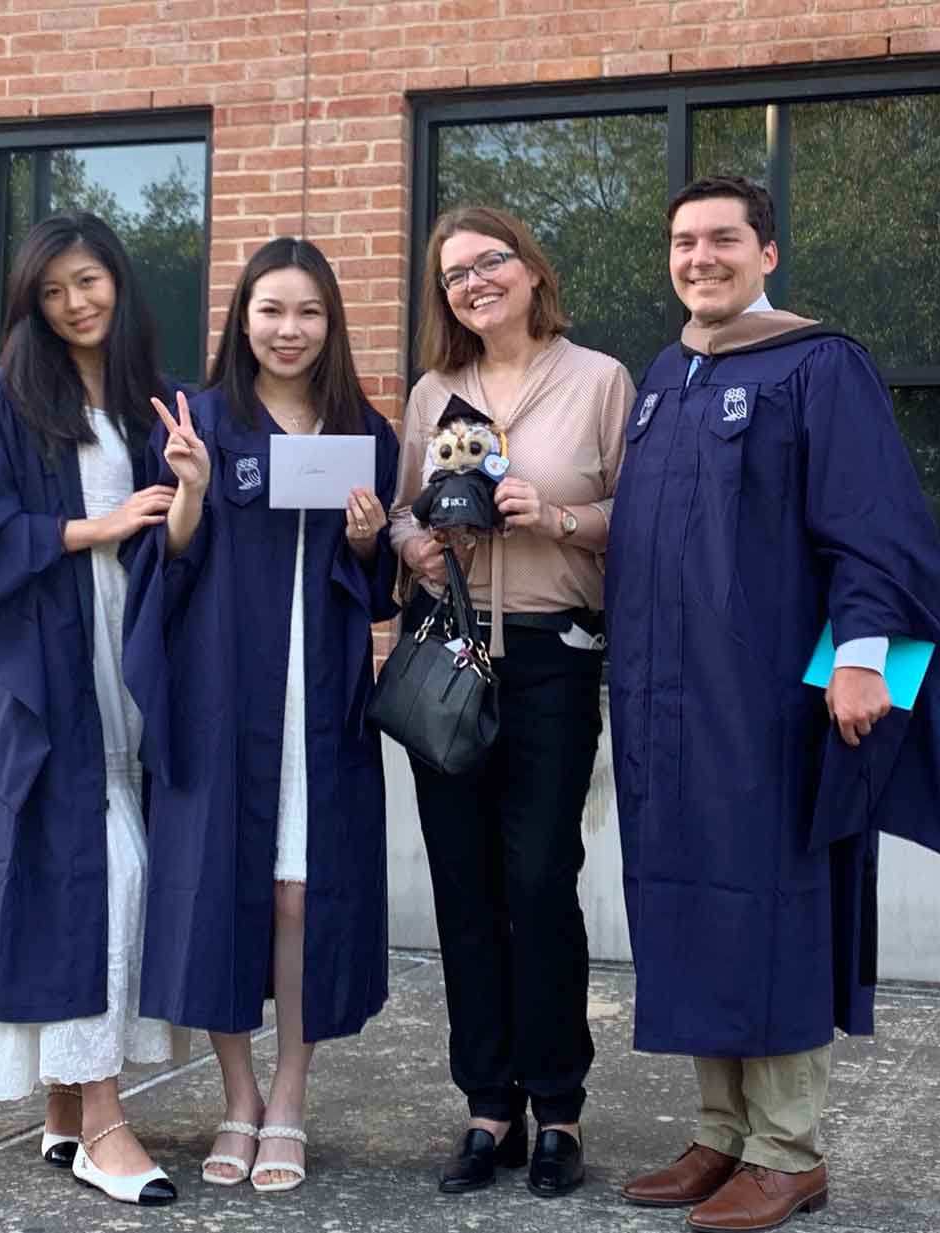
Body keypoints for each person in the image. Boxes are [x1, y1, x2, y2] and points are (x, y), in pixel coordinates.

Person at [605, 176, 940, 1232]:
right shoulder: (665, 376)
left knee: (771, 903)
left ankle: (786, 1151)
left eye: (724, 239)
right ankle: (721, 1133)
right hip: (662, 701)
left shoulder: (819, 364)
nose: (701, 257)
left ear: (767, 254)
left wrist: (862, 658)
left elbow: (875, 525)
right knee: (687, 900)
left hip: (768, 699)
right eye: (684, 242)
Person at [122, 237, 400, 1194]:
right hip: (224, 689)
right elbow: (168, 564)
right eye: (272, 309)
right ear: (242, 318)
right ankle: (236, 1095)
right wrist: (191, 491)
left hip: (317, 693)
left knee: (298, 894)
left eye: (309, 311)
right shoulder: (200, 421)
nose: (290, 329)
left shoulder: (364, 431)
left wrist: (367, 543)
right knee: (221, 887)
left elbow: (376, 589)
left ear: (332, 323)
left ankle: (290, 1091)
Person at [0, 212, 189, 1206]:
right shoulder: (4, 400)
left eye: (89, 281)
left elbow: (180, 535)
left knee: (109, 865)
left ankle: (63, 1105)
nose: (76, 303)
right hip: (44, 665)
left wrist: (185, 492)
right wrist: (97, 525)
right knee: (96, 871)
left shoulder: (148, 402)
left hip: (132, 651)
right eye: (53, 291)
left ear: (118, 280)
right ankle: (105, 1123)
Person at [387, 205, 634, 1198]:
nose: (474, 282)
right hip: (450, 648)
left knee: (538, 878)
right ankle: (489, 1104)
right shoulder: (433, 391)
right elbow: (403, 508)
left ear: (530, 269)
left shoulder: (600, 379)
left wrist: (559, 516)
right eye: (454, 274)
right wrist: (415, 543)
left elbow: (638, 514)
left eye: (489, 261)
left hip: (551, 653)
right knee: (465, 884)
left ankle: (558, 1103)